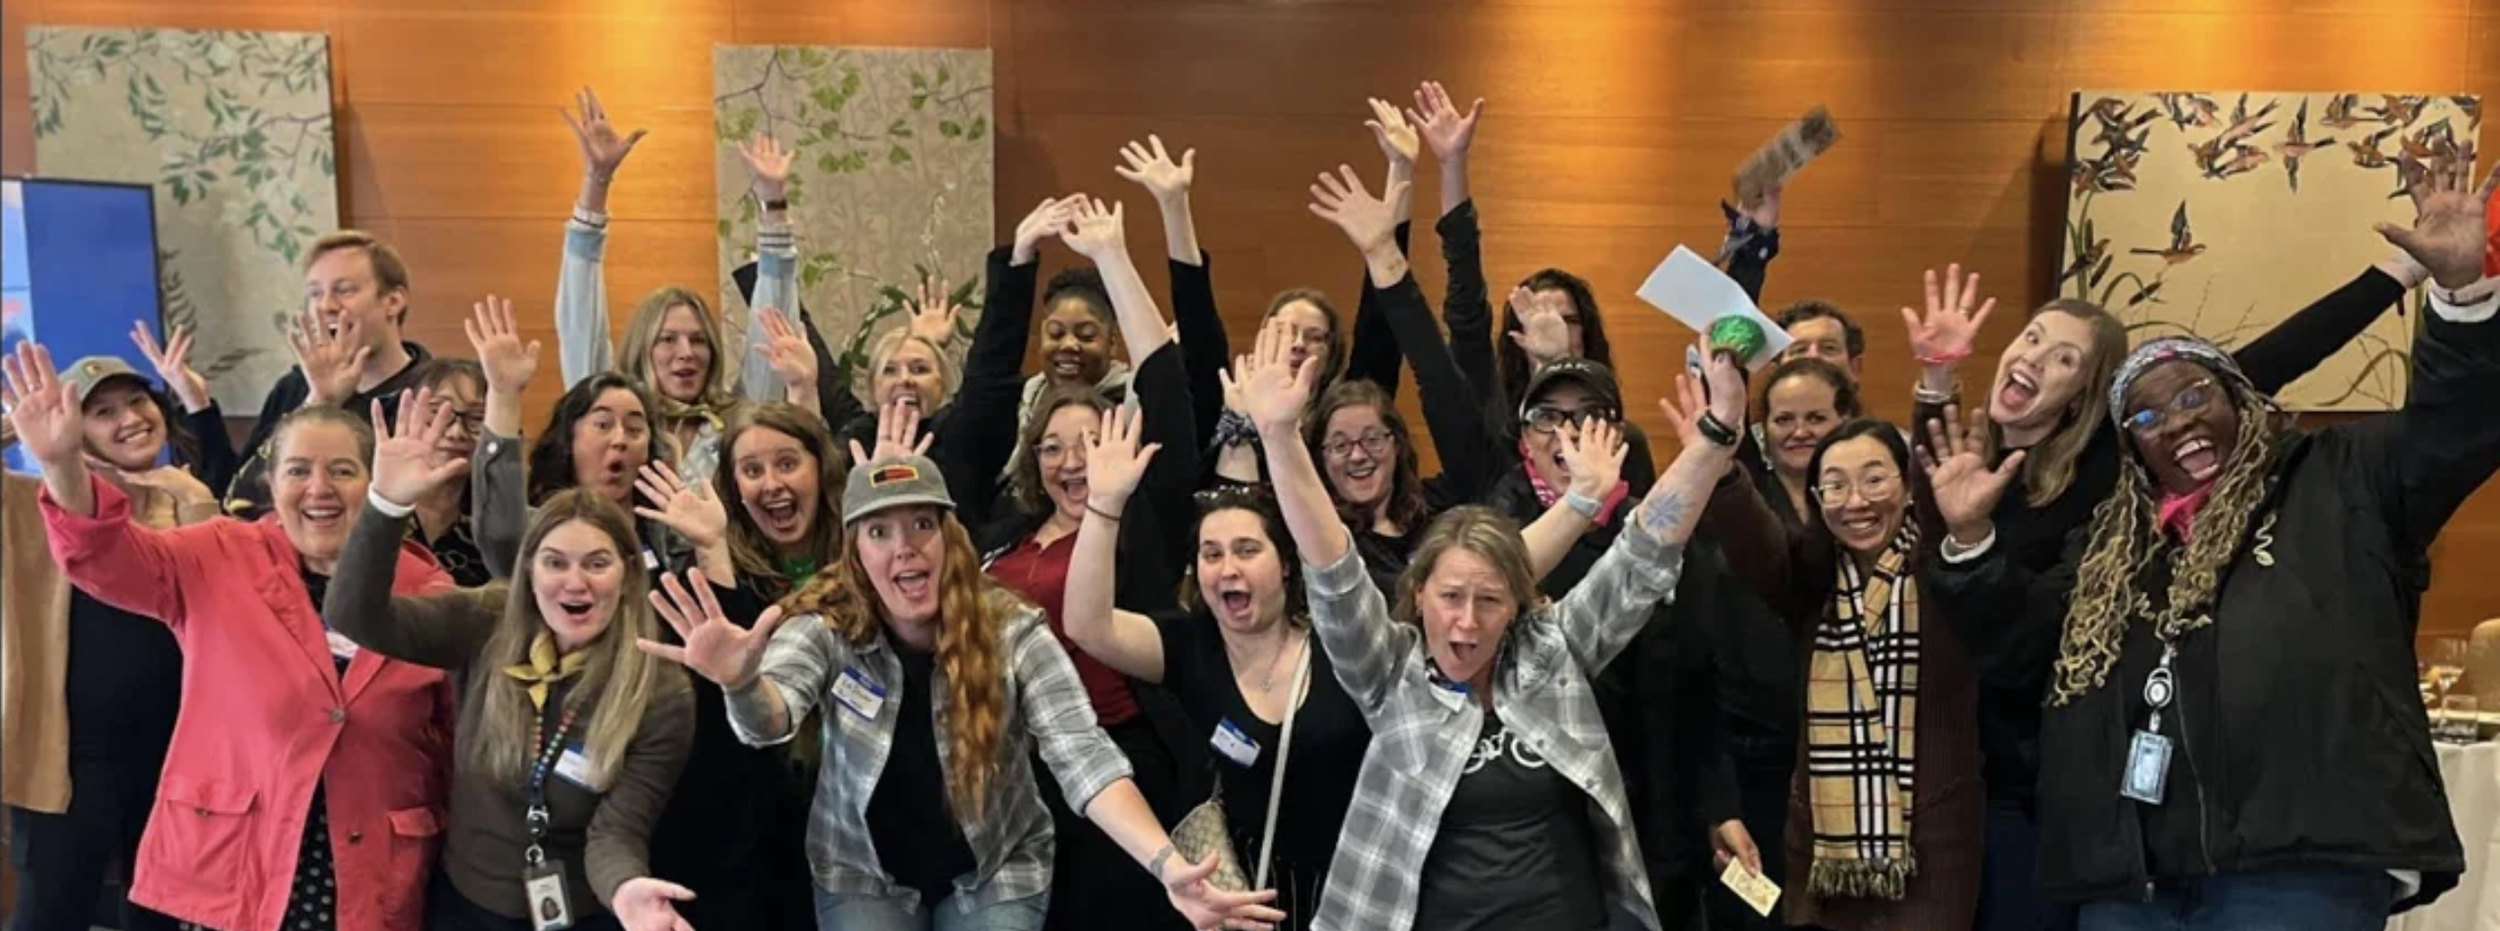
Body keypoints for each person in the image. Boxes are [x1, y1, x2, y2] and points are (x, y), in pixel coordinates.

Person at [1927, 161, 2499, 929]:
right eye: (2150, 417)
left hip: (2299, 863)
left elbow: (2455, 428)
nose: (2180, 423)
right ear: (2131, 446)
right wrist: (1971, 543)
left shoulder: (2342, 483)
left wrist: (2463, 298)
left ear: (2242, 402)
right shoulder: (2111, 546)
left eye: (2197, 397)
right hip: (2133, 877)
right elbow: (2027, 649)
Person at [1239, 303, 1746, 930]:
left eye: (1490, 601)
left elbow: (1643, 554)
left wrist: (1715, 439)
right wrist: (1281, 437)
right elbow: (1334, 574)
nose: (1468, 624)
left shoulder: (1550, 653)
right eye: (1451, 598)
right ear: (1418, 594)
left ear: (1519, 604)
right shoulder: (1390, 671)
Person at [639, 451, 1286, 931]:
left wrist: (1167, 864)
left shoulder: (1014, 627)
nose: (904, 548)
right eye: (879, 531)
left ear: (950, 538)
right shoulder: (825, 625)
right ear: (855, 550)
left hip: (997, 869)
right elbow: (769, 720)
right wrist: (740, 681)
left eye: (921, 524)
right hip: (861, 872)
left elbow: (1084, 757)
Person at [9, 342, 457, 931]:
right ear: (271, 485)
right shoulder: (218, 553)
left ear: (374, 483)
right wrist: (64, 467)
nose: (318, 488)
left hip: (371, 867)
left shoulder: (428, 589)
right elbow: (106, 558)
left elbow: (455, 743)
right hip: (234, 864)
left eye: (342, 471)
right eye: (298, 471)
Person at [324, 387, 698, 931]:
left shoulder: (661, 689)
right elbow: (356, 615)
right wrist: (385, 505)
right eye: (554, 562)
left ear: (627, 575)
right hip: (464, 904)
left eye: (597, 563)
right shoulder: (488, 621)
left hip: (579, 912)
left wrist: (627, 890)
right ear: (528, 572)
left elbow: (615, 833)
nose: (575, 582)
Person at [954, 196, 1208, 931]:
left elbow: (1164, 382)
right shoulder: (1004, 535)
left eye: (1088, 442)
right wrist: (1018, 264)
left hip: (1116, 761)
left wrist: (1113, 259)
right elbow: (981, 406)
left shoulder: (1140, 529)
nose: (1072, 461)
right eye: (1052, 445)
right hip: (1009, 765)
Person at [1062, 427, 1371, 931]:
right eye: (1212, 553)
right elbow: (1086, 625)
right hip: (1246, 890)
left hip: (1357, 880)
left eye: (1247, 550)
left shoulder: (1343, 643)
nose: (1227, 567)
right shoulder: (1191, 645)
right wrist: (1104, 507)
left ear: (1287, 565)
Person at [1699, 411, 1984, 930]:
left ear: (1910, 484)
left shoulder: (1946, 569)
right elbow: (1754, 543)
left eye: (1875, 479)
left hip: (1935, 850)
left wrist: (1936, 388)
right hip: (1823, 854)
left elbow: (1947, 492)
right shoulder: (1812, 584)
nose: (1856, 501)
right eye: (1834, 486)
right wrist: (1721, 460)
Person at [2, 353, 221, 931]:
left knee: (162, 913)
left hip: (172, 751)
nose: (129, 419)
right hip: (70, 757)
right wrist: (46, 436)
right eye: (101, 411)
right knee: (50, 910)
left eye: (137, 402)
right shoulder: (33, 503)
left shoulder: (186, 498)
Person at [555, 88, 805, 487]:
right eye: (668, 340)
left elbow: (771, 335)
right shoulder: (618, 424)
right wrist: (596, 183)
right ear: (642, 347)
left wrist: (772, 205)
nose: (686, 354)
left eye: (698, 340)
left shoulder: (737, 424)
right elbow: (579, 321)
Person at [229, 230, 437, 515]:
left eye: (345, 290)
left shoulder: (439, 391)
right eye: (315, 293)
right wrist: (319, 401)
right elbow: (242, 505)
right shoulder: (294, 389)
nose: (326, 305)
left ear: (393, 301)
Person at [405, 358, 493, 585]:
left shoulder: (503, 520)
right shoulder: (374, 509)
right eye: (437, 413)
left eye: (476, 418)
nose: (456, 432)